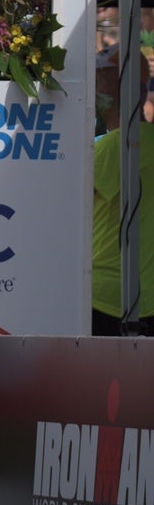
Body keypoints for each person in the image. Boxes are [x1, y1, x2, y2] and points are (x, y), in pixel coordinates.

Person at [93, 43, 154, 334]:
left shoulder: (113, 146)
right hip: (147, 297)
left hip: (105, 297)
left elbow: (58, 205)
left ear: (119, 89)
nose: (92, 87)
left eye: (99, 77)